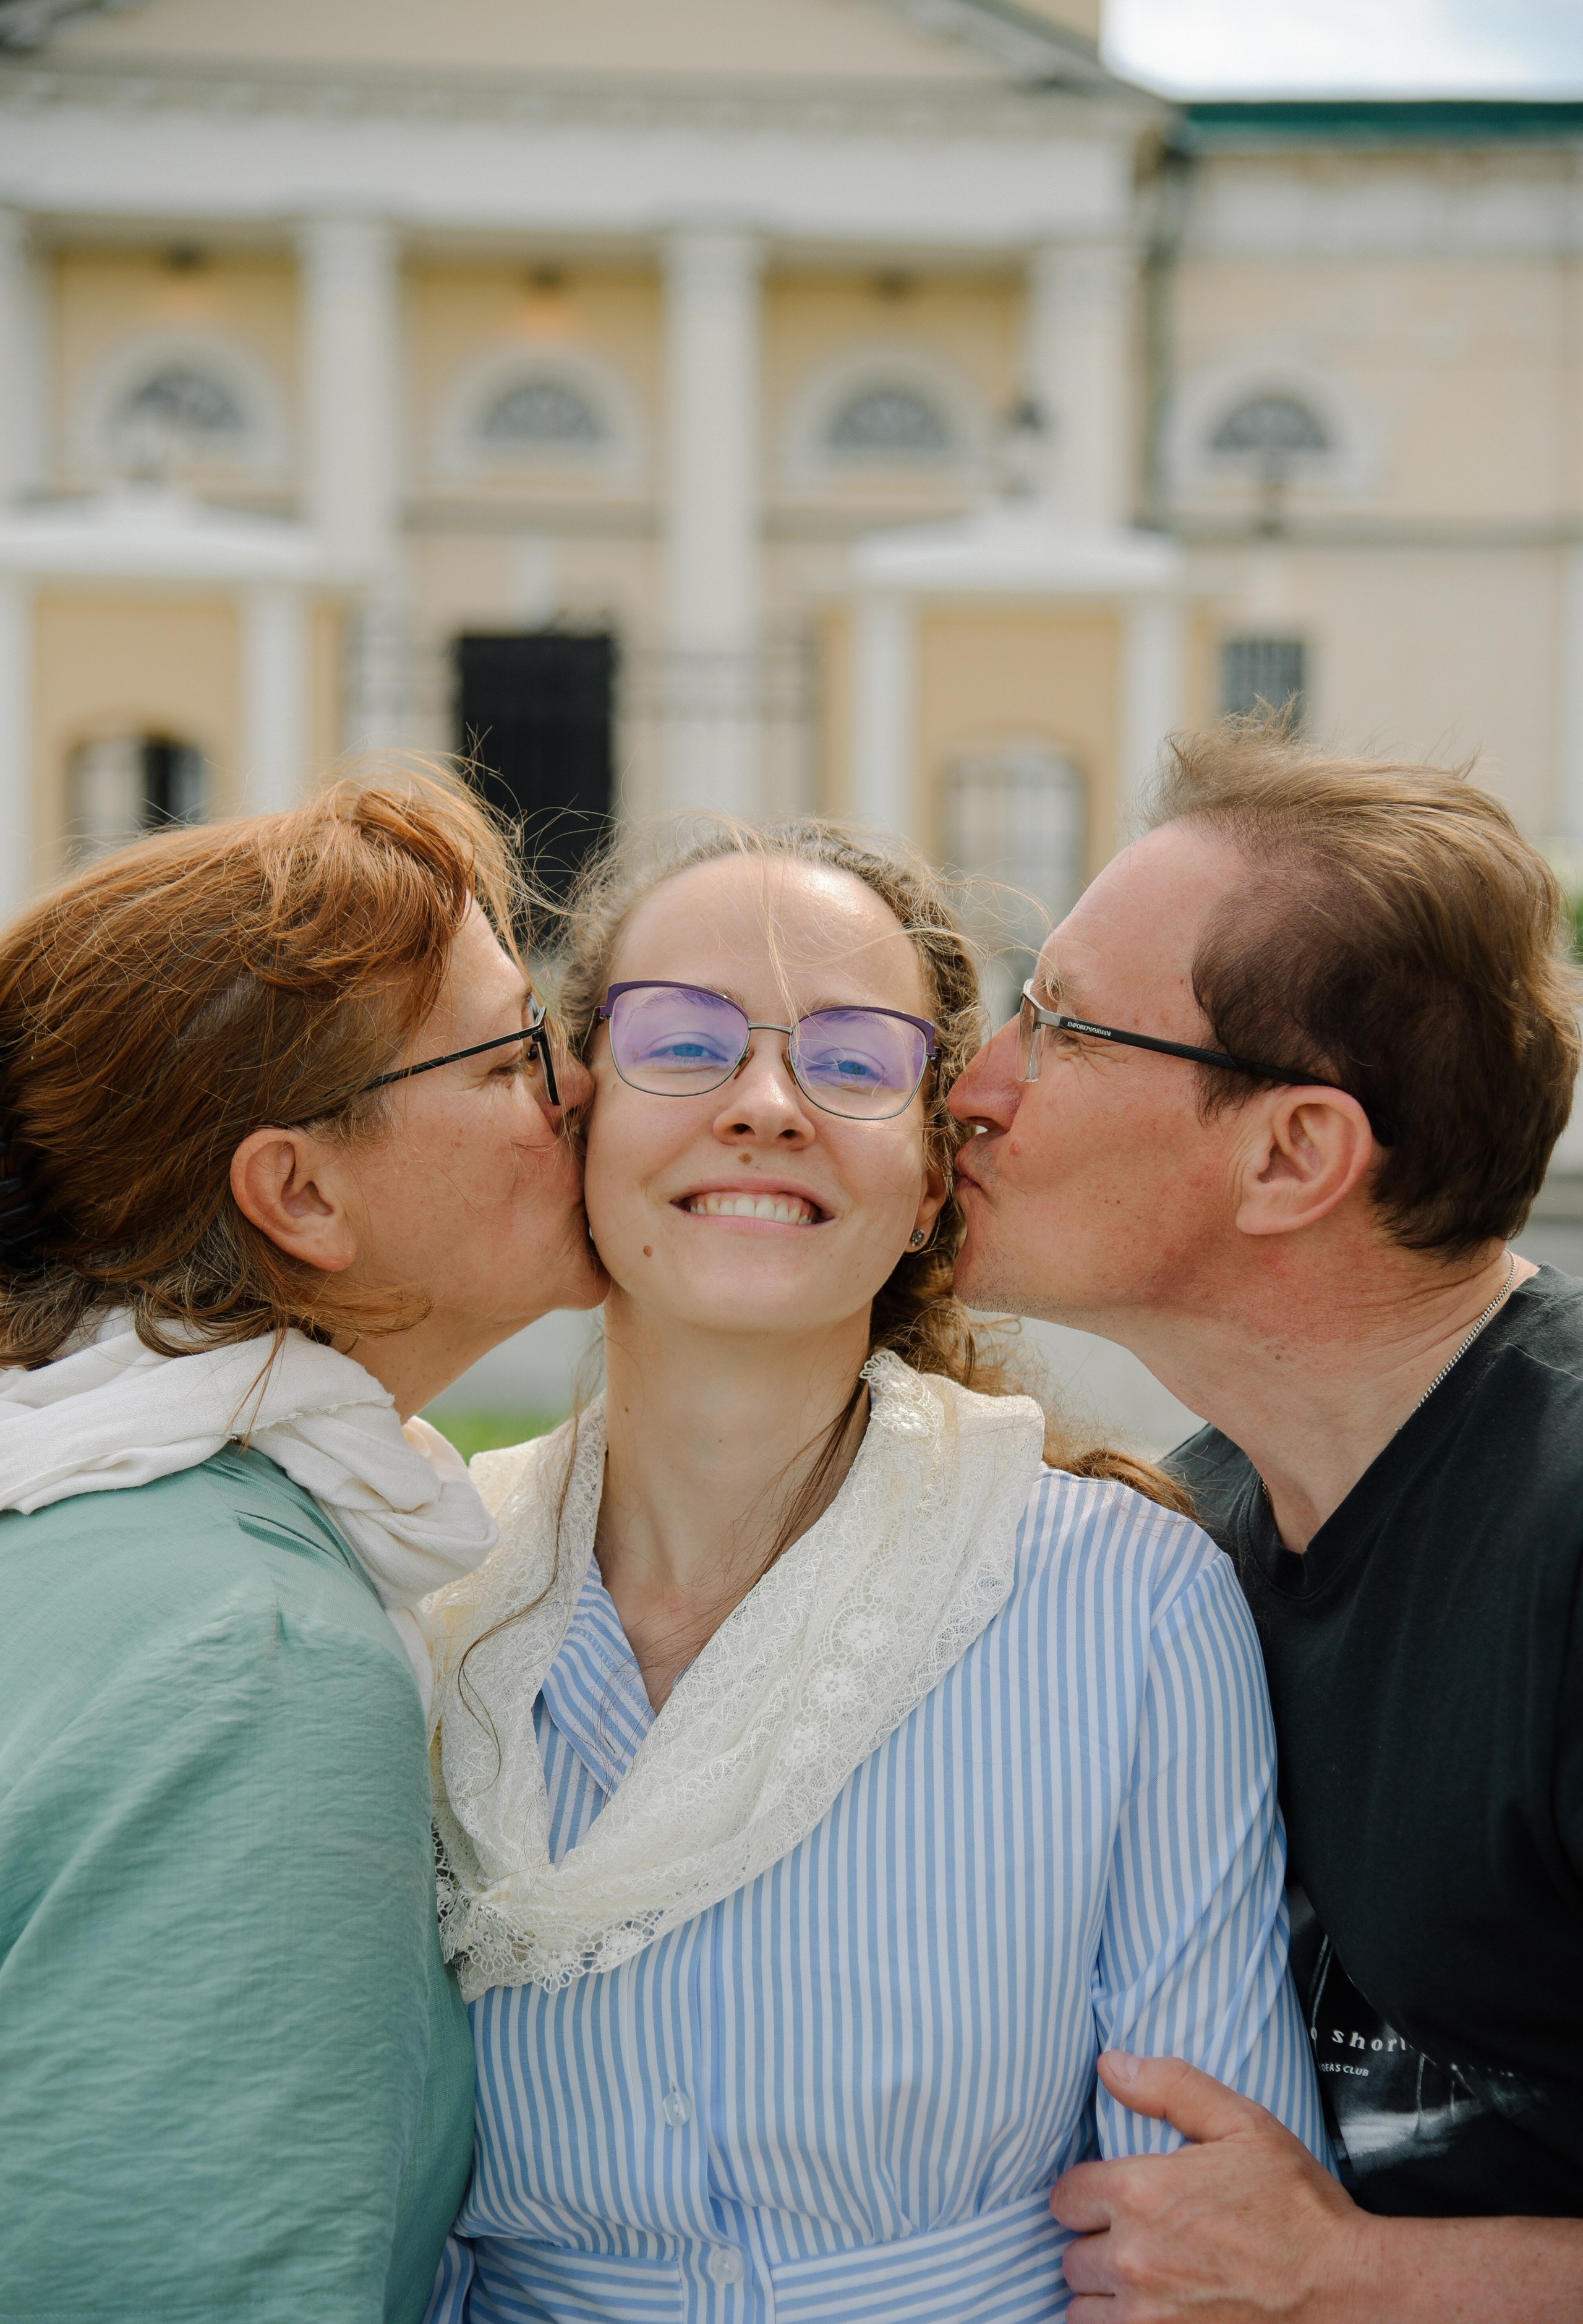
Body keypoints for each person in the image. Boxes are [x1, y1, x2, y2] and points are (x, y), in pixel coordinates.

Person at [420, 816, 1326, 2324]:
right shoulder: (426, 1597)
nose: (764, 1105)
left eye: (852, 1061)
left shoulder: (1124, 1602)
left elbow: (1202, 2253)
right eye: (681, 1042)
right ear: (578, 1123)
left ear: (928, 1179)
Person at [948, 717, 1583, 2321]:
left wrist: (1351, 2272)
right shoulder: (1195, 1528)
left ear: (1292, 1152)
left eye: (1059, 1024)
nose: (974, 1086)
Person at [0, 777, 604, 2322]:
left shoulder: (77, 1515)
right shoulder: (258, 1660)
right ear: (300, 1191)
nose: (581, 1091)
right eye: (512, 1055)